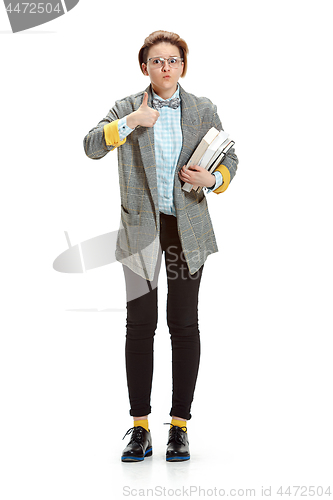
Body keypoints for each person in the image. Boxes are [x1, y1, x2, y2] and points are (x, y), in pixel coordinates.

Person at [83, 30, 238, 462]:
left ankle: (180, 428)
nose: (165, 67)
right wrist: (130, 123)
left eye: (173, 60)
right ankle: (139, 428)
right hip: (140, 233)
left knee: (184, 324)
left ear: (182, 66)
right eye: (157, 61)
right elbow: (91, 145)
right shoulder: (126, 108)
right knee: (140, 325)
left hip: (187, 231)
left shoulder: (203, 109)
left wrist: (213, 180)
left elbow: (230, 158)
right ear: (145, 66)